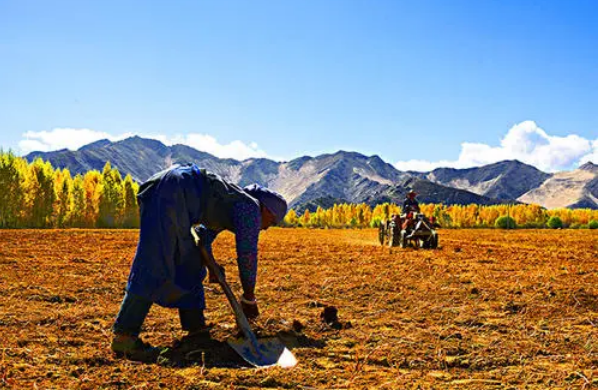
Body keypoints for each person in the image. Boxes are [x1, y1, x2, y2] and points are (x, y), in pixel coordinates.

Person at [110, 163, 287, 361]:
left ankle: (196, 329)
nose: (267, 228)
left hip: (170, 188)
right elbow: (247, 255)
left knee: (192, 261)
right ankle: (125, 336)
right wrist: (248, 297)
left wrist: (210, 261)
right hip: (175, 191)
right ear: (266, 210)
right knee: (154, 262)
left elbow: (202, 236)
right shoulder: (250, 208)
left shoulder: (231, 201)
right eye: (271, 222)